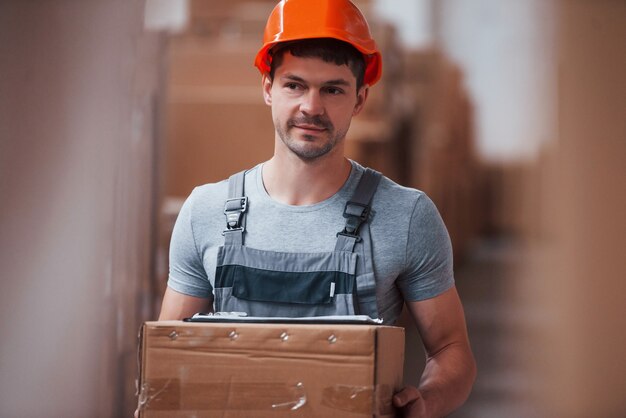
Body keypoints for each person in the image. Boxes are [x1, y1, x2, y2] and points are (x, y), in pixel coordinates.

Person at [158, 0, 476, 416]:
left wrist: (429, 400)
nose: (312, 106)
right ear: (268, 88)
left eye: (333, 89)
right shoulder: (207, 211)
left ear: (360, 99)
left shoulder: (407, 216)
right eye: (294, 85)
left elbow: (452, 349)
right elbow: (170, 352)